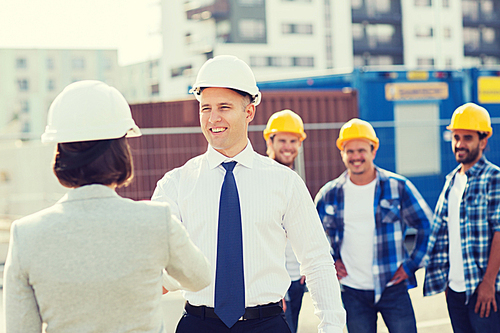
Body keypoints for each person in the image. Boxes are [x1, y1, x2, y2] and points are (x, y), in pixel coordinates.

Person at [152, 55, 345, 333]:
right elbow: (158, 258)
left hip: (266, 325)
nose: (213, 118)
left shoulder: (285, 183)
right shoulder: (176, 184)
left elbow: (316, 260)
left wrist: (332, 327)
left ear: (249, 112)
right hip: (198, 324)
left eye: (224, 107)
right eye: (205, 108)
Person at [3, 80, 211, 333]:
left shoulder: (26, 233)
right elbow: (199, 277)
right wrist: (148, 274)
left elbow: (20, 328)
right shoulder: (156, 220)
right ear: (121, 152)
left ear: (60, 153)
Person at [315, 118, 432, 333]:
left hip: (393, 287)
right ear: (342, 153)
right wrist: (331, 261)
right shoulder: (329, 194)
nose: (356, 157)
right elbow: (312, 237)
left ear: (373, 151)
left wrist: (410, 265)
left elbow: (427, 225)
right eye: (350, 151)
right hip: (352, 292)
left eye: (361, 150)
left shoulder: (397, 187)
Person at [424, 103, 500, 333]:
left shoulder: (493, 178)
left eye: (467, 137)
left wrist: (488, 283)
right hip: (456, 291)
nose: (460, 144)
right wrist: (448, 282)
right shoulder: (451, 181)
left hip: (484, 290)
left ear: (483, 141)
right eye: (456, 137)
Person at [263, 109, 307, 332]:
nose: (288, 146)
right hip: (271, 281)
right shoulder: (260, 178)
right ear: (270, 141)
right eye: (282, 140)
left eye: (293, 141)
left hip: (295, 278)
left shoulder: (295, 181)